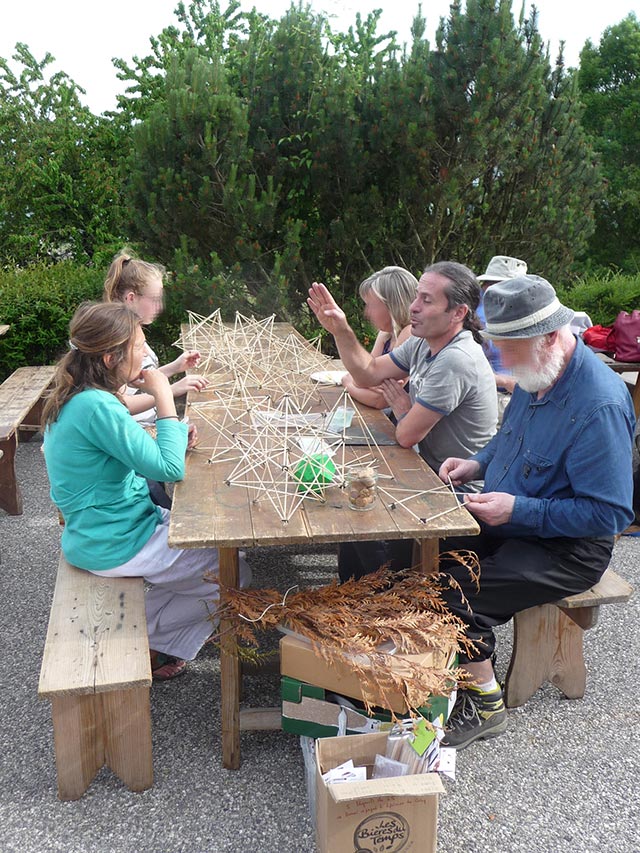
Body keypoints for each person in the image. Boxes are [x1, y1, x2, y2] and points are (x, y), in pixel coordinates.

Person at [437, 274, 635, 750]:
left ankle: (485, 703)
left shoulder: (599, 405)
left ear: (549, 336)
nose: (501, 361)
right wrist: (477, 463)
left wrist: (518, 509)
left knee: (456, 588)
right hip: (512, 519)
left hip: (569, 549)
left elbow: (609, 516)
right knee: (428, 548)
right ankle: (433, 663)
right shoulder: (538, 370)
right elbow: (510, 438)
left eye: (509, 349)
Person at [42, 301, 250, 680]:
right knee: (233, 574)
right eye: (139, 348)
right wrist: (163, 393)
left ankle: (155, 639)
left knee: (219, 555)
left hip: (106, 530)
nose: (146, 355)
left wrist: (171, 439)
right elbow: (167, 468)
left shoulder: (86, 396)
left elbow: (135, 453)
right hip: (113, 541)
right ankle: (141, 641)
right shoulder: (96, 406)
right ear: (110, 358)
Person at [308, 261, 498, 581]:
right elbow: (368, 372)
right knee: (351, 509)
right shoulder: (424, 342)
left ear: (458, 313)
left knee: (364, 523)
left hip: (460, 502)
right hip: (427, 475)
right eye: (416, 297)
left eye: (427, 300)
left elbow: (406, 435)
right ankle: (354, 607)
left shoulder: (456, 359)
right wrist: (341, 330)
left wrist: (403, 409)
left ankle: (384, 607)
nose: (414, 307)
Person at [103, 251, 209, 425]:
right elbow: (120, 403)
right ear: (131, 298)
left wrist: (175, 367)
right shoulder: (115, 337)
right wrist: (170, 390)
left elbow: (137, 381)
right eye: (154, 299)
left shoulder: (134, 331)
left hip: (148, 427)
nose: (159, 307)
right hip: (132, 434)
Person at [340, 266, 416, 409]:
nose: (366, 313)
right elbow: (364, 377)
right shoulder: (386, 333)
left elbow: (379, 401)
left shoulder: (411, 333)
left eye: (372, 305)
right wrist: (363, 383)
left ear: (393, 306)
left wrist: (347, 383)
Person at [476, 255, 528, 416]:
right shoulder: (477, 315)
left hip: (517, 396)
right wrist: (504, 381)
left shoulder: (515, 311)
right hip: (494, 398)